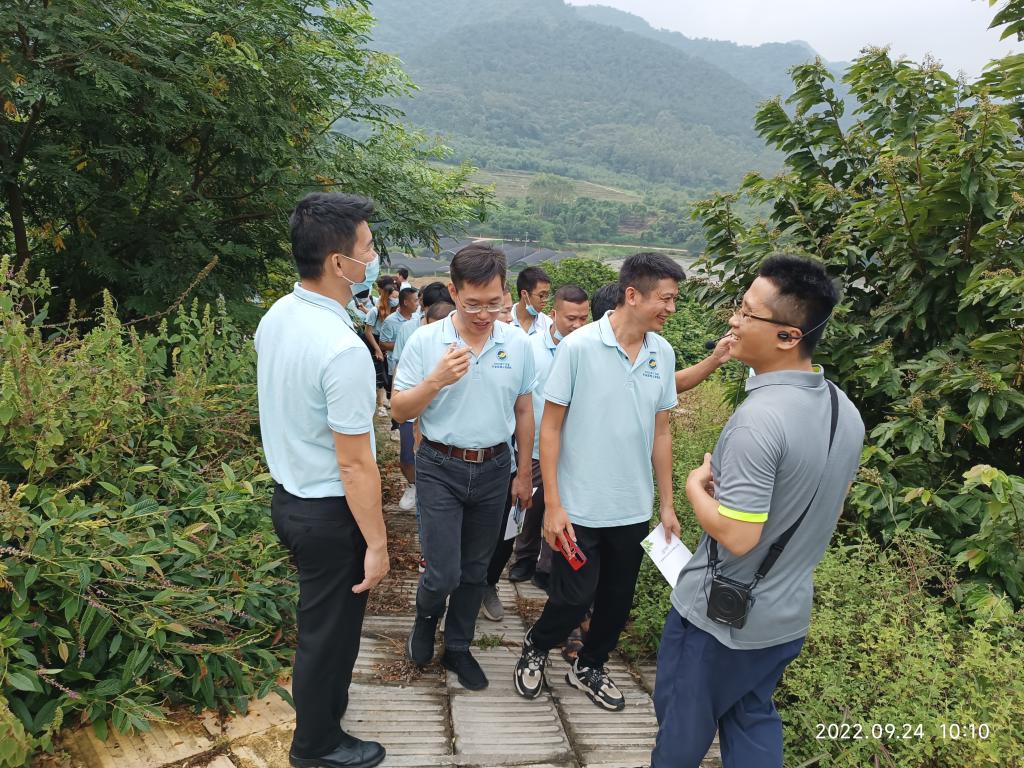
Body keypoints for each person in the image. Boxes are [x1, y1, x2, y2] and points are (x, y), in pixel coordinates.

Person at [651, 255, 865, 768]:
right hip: (784, 617)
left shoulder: (759, 421)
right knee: (751, 720)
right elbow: (831, 507)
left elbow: (739, 536)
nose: (733, 320)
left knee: (681, 730)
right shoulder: (844, 410)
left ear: (789, 336)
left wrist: (693, 486)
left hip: (719, 621)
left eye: (747, 313)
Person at [513, 253, 684, 712]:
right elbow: (550, 428)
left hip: (632, 506)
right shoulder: (580, 347)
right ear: (633, 295)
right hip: (579, 505)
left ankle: (590, 665)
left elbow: (662, 432)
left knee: (616, 601)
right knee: (574, 597)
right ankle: (537, 644)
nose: (671, 308)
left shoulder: (662, 353)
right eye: (665, 298)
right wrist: (552, 504)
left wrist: (666, 504)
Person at [255, 192, 389, 768]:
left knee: (321, 628)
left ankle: (326, 724)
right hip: (330, 515)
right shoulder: (342, 349)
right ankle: (315, 747)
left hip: (290, 499)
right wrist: (378, 543)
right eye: (368, 249)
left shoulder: (279, 316)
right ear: (339, 262)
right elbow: (355, 464)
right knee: (328, 637)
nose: (374, 258)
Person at [392, 245, 536, 691]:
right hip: (440, 465)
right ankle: (425, 620)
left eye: (493, 303)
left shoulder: (517, 343)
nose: (483, 315)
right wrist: (436, 380)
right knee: (443, 572)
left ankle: (458, 646)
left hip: (494, 467)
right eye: (473, 304)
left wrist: (523, 473)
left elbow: (524, 409)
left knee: (476, 570)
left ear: (505, 293)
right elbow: (399, 410)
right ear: (453, 293)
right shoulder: (426, 342)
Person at [502, 285, 591, 594]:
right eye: (571, 319)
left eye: (583, 319)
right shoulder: (530, 348)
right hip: (536, 446)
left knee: (562, 508)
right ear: (554, 314)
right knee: (530, 507)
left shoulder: (587, 352)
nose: (577, 325)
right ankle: (523, 558)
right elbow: (520, 400)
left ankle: (548, 566)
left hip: (572, 450)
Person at [389, 283, 454, 513]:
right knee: (408, 453)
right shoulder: (410, 331)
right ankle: (414, 485)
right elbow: (399, 365)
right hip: (412, 400)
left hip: (441, 410)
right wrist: (397, 399)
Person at [364, 277, 397, 417]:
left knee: (388, 372)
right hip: (374, 341)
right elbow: (367, 332)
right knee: (380, 373)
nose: (396, 299)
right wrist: (377, 349)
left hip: (386, 341)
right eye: (394, 296)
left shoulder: (394, 309)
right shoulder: (375, 310)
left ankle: (386, 400)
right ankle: (380, 405)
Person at [511, 266, 552, 336]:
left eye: (547, 295)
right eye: (541, 295)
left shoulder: (548, 324)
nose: (545, 300)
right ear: (524, 294)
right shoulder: (503, 320)